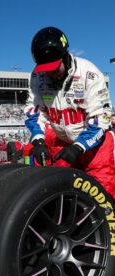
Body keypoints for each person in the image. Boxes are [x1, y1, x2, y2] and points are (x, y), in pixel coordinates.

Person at [25, 26, 115, 199]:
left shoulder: (90, 75)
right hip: (64, 142)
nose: (51, 73)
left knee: (101, 195)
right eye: (46, 69)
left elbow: (101, 121)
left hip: (95, 147)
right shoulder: (37, 77)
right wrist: (38, 141)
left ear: (65, 55)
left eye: (54, 68)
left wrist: (78, 147)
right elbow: (35, 113)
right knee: (58, 188)